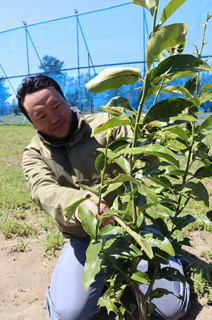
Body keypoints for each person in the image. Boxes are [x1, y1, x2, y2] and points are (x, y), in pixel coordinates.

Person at [17, 74, 190, 320]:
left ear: (66, 101)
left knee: (174, 309)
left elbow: (149, 153)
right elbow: (42, 189)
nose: (53, 119)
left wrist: (149, 133)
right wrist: (77, 203)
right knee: (69, 315)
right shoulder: (34, 153)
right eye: (41, 116)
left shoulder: (107, 124)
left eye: (56, 107)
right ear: (32, 123)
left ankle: (165, 256)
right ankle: (71, 286)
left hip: (131, 232)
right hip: (83, 241)